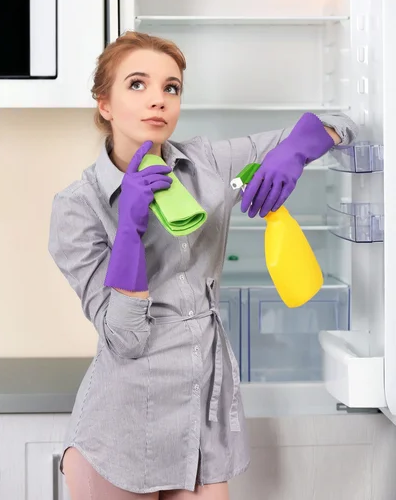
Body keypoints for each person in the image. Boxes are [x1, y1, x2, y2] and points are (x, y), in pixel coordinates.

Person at [48, 31, 358, 500]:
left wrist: (295, 151)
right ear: (104, 104)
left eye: (171, 88)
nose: (158, 99)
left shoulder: (206, 164)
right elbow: (124, 338)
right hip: (121, 430)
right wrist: (129, 231)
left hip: (202, 419)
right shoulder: (78, 207)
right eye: (137, 84)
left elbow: (342, 124)